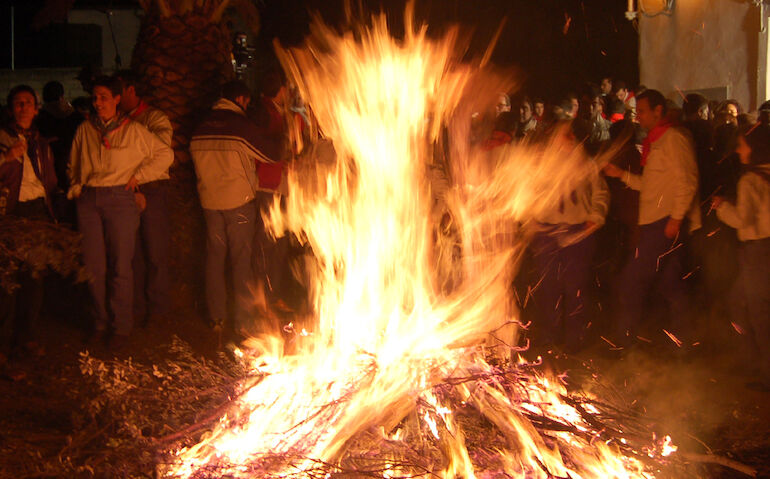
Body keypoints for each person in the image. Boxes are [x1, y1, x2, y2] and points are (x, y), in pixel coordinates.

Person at [68, 75, 173, 348]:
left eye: (104, 97)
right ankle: (100, 322)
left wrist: (139, 176)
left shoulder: (133, 130)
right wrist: (78, 186)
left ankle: (121, 327)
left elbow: (165, 154)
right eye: (95, 98)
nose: (98, 103)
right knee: (93, 266)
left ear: (117, 99)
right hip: (90, 199)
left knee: (120, 266)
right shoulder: (85, 130)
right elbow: (74, 162)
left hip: (120, 198)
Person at [603, 89, 700, 347]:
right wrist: (621, 175)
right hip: (655, 223)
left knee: (630, 282)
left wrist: (676, 219)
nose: (639, 117)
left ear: (658, 111)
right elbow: (652, 185)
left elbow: (687, 182)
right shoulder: (656, 141)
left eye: (643, 111)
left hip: (663, 223)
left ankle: (623, 342)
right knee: (670, 285)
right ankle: (685, 343)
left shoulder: (674, 139)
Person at [190, 80, 281, 341]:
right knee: (242, 261)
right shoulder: (240, 127)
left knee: (214, 259)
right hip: (239, 203)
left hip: (209, 202)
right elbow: (271, 154)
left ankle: (216, 317)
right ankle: (242, 321)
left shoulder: (201, 126)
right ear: (241, 99)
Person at [529, 119, 609, 353]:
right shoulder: (541, 163)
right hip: (547, 231)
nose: (567, 138)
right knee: (548, 286)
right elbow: (527, 192)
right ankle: (549, 336)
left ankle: (575, 338)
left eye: (569, 134)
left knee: (575, 287)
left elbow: (601, 193)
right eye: (562, 134)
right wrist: (531, 219)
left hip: (578, 232)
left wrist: (596, 216)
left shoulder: (586, 164)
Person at [0, 85, 60, 365]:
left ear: (36, 109)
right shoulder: (2, 137)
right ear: (11, 108)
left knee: (33, 279)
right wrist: (7, 157)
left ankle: (27, 337)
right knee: (7, 281)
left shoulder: (40, 141)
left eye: (28, 103)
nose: (23, 107)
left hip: (37, 212)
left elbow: (49, 179)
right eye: (18, 103)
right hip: (11, 213)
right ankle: (4, 344)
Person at [114, 69, 174, 327]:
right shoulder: (117, 121)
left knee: (155, 251)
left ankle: (158, 309)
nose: (114, 98)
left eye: (119, 91)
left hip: (152, 190)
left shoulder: (155, 119)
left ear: (131, 90)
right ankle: (136, 307)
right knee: (132, 252)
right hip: (126, 190)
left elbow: (159, 153)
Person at [712, 125, 770, 389]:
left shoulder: (750, 180)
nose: (738, 150)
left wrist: (721, 206)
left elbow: (742, 219)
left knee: (755, 311)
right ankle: (754, 363)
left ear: (755, 147)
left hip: (758, 252)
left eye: (742, 145)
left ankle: (761, 370)